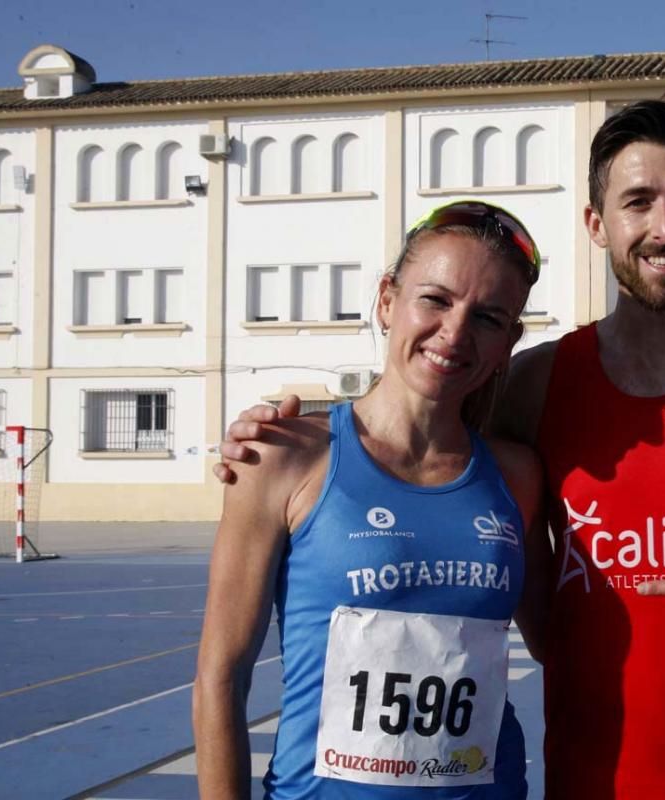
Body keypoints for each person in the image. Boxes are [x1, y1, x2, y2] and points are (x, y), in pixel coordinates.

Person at [217, 93, 665, 798]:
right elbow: (415, 434)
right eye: (638, 202)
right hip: (587, 780)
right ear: (597, 225)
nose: (664, 229)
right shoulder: (534, 384)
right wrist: (286, 435)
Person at [193, 201, 551, 798]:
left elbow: (560, 642)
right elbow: (218, 680)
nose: (455, 333)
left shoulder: (516, 474)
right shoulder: (284, 457)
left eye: (488, 317)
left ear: (509, 341)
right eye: (434, 299)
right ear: (387, 300)